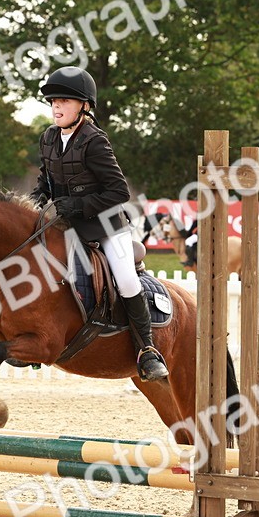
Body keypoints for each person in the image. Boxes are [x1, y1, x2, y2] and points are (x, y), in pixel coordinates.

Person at [30, 66, 168, 382]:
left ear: (85, 106)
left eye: (64, 100)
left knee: (126, 279)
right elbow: (46, 179)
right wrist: (38, 196)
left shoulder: (94, 141)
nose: (56, 107)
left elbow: (118, 192)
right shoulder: (49, 137)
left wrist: (77, 205)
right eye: (53, 101)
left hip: (105, 226)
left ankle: (147, 350)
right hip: (67, 226)